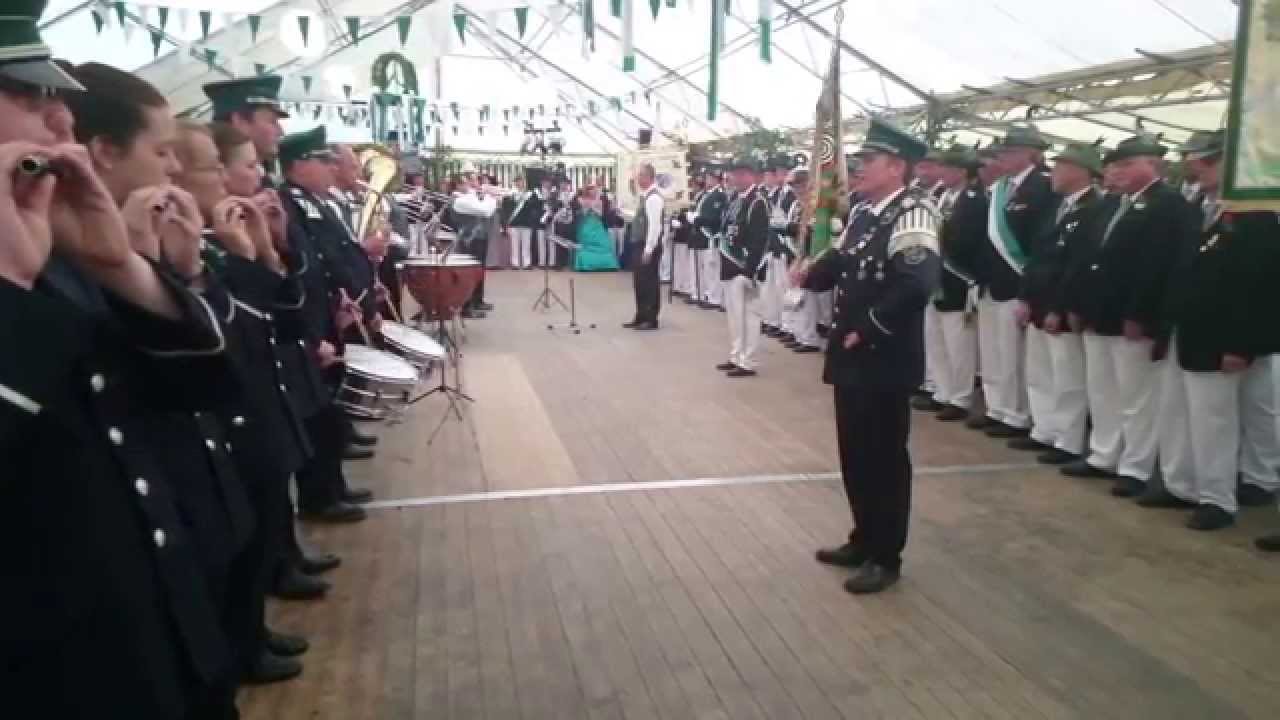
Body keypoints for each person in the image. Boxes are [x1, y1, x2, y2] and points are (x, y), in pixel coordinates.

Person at [795, 118, 941, 595]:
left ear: (897, 167)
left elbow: (915, 284)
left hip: (883, 355)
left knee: (884, 459)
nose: (856, 170)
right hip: (853, 354)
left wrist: (868, 329)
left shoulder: (914, 212)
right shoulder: (864, 211)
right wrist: (811, 274)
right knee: (855, 455)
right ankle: (863, 538)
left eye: (867, 162)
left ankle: (885, 554)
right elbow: (842, 259)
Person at [1142, 130, 1280, 530]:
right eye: (1194, 159)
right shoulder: (1202, 207)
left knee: (1216, 419)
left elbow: (1259, 285)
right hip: (1188, 330)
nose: (1194, 166)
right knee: (1182, 413)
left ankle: (1218, 498)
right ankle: (1182, 482)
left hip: (1224, 336)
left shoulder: (1256, 215)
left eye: (1206, 160)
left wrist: (1241, 344)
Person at [1060, 134, 1194, 498]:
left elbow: (1158, 267)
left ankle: (1135, 467)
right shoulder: (1111, 204)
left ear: (1153, 165)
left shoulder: (1169, 205)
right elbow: (1088, 258)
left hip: (1132, 315)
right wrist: (1079, 305)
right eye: (1114, 165)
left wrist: (1140, 313)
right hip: (1099, 312)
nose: (1115, 172)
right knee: (1103, 389)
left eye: (1125, 164)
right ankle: (1104, 454)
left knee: (1137, 396)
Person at [278, 126, 371, 525]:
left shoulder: (313, 202)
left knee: (328, 408)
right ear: (299, 165)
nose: (331, 168)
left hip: (328, 312)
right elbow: (302, 265)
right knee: (317, 412)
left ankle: (332, 485)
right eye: (323, 161)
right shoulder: (290, 204)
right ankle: (321, 494)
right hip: (310, 321)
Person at [1013, 143, 1106, 465]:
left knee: (1067, 376)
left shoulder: (1094, 208)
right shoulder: (1057, 207)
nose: (1054, 173)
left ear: (1082, 171)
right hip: (1039, 299)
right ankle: (1045, 429)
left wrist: (1058, 306)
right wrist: (1026, 297)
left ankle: (1067, 439)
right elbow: (1037, 257)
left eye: (1062, 167)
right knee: (1040, 371)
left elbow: (1077, 264)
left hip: (1059, 303)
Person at [968, 125, 1058, 439]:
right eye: (1003, 152)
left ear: (1032, 154)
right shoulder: (1000, 188)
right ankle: (998, 408)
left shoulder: (1043, 187)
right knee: (993, 351)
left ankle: (1018, 414)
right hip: (991, 281)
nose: (1004, 157)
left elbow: (1039, 242)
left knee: (1014, 355)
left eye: (1012, 152)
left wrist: (1029, 290)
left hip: (1016, 281)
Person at [918, 144, 986, 421]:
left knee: (959, 344)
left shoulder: (974, 200)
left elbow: (970, 242)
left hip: (958, 279)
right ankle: (942, 392)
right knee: (936, 340)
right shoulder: (941, 196)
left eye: (946, 167)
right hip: (935, 279)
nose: (941, 172)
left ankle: (959, 397)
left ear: (961, 171)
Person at [716, 157, 770, 377]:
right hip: (731, 265)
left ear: (751, 175)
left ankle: (748, 361)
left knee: (749, 316)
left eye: (740, 173)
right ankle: (736, 354)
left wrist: (750, 270)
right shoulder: (737, 199)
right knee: (735, 316)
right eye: (734, 174)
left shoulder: (757, 201)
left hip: (745, 267)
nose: (735, 178)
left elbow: (760, 239)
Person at [624, 162, 665, 330]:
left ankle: (650, 317)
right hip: (640, 243)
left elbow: (655, 226)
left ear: (649, 177)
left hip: (647, 245)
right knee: (639, 281)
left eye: (641, 175)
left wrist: (648, 249)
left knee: (648, 281)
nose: (638, 179)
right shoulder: (646, 196)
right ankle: (640, 315)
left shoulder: (654, 198)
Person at [563, 185, 622, 271]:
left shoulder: (599, 201)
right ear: (588, 192)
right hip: (586, 224)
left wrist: (593, 208)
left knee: (604, 241)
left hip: (597, 224)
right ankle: (585, 264)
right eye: (592, 190)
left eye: (595, 190)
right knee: (586, 240)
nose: (594, 192)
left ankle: (607, 265)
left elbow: (601, 214)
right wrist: (586, 207)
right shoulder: (582, 200)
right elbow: (582, 213)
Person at [694, 167, 729, 309]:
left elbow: (716, 217)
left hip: (713, 235)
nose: (707, 180)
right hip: (705, 235)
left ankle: (715, 298)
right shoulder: (708, 194)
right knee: (708, 268)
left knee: (714, 268)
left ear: (716, 179)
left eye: (710, 178)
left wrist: (701, 220)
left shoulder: (720, 195)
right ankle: (709, 295)